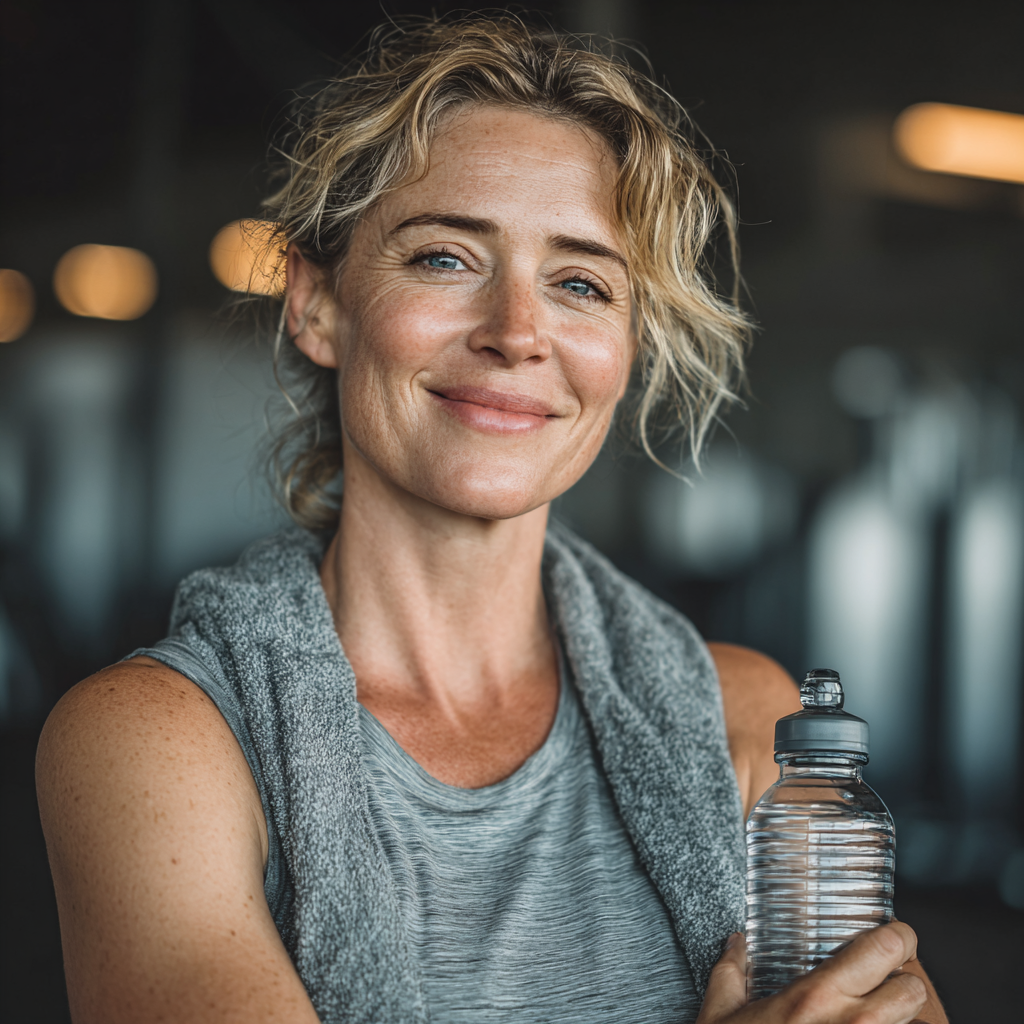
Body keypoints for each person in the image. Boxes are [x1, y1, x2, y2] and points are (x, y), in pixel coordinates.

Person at [36, 15, 946, 1024]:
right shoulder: (161, 742)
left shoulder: (733, 715)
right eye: (443, 258)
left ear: (626, 348)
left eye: (579, 283)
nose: (517, 332)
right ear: (318, 303)